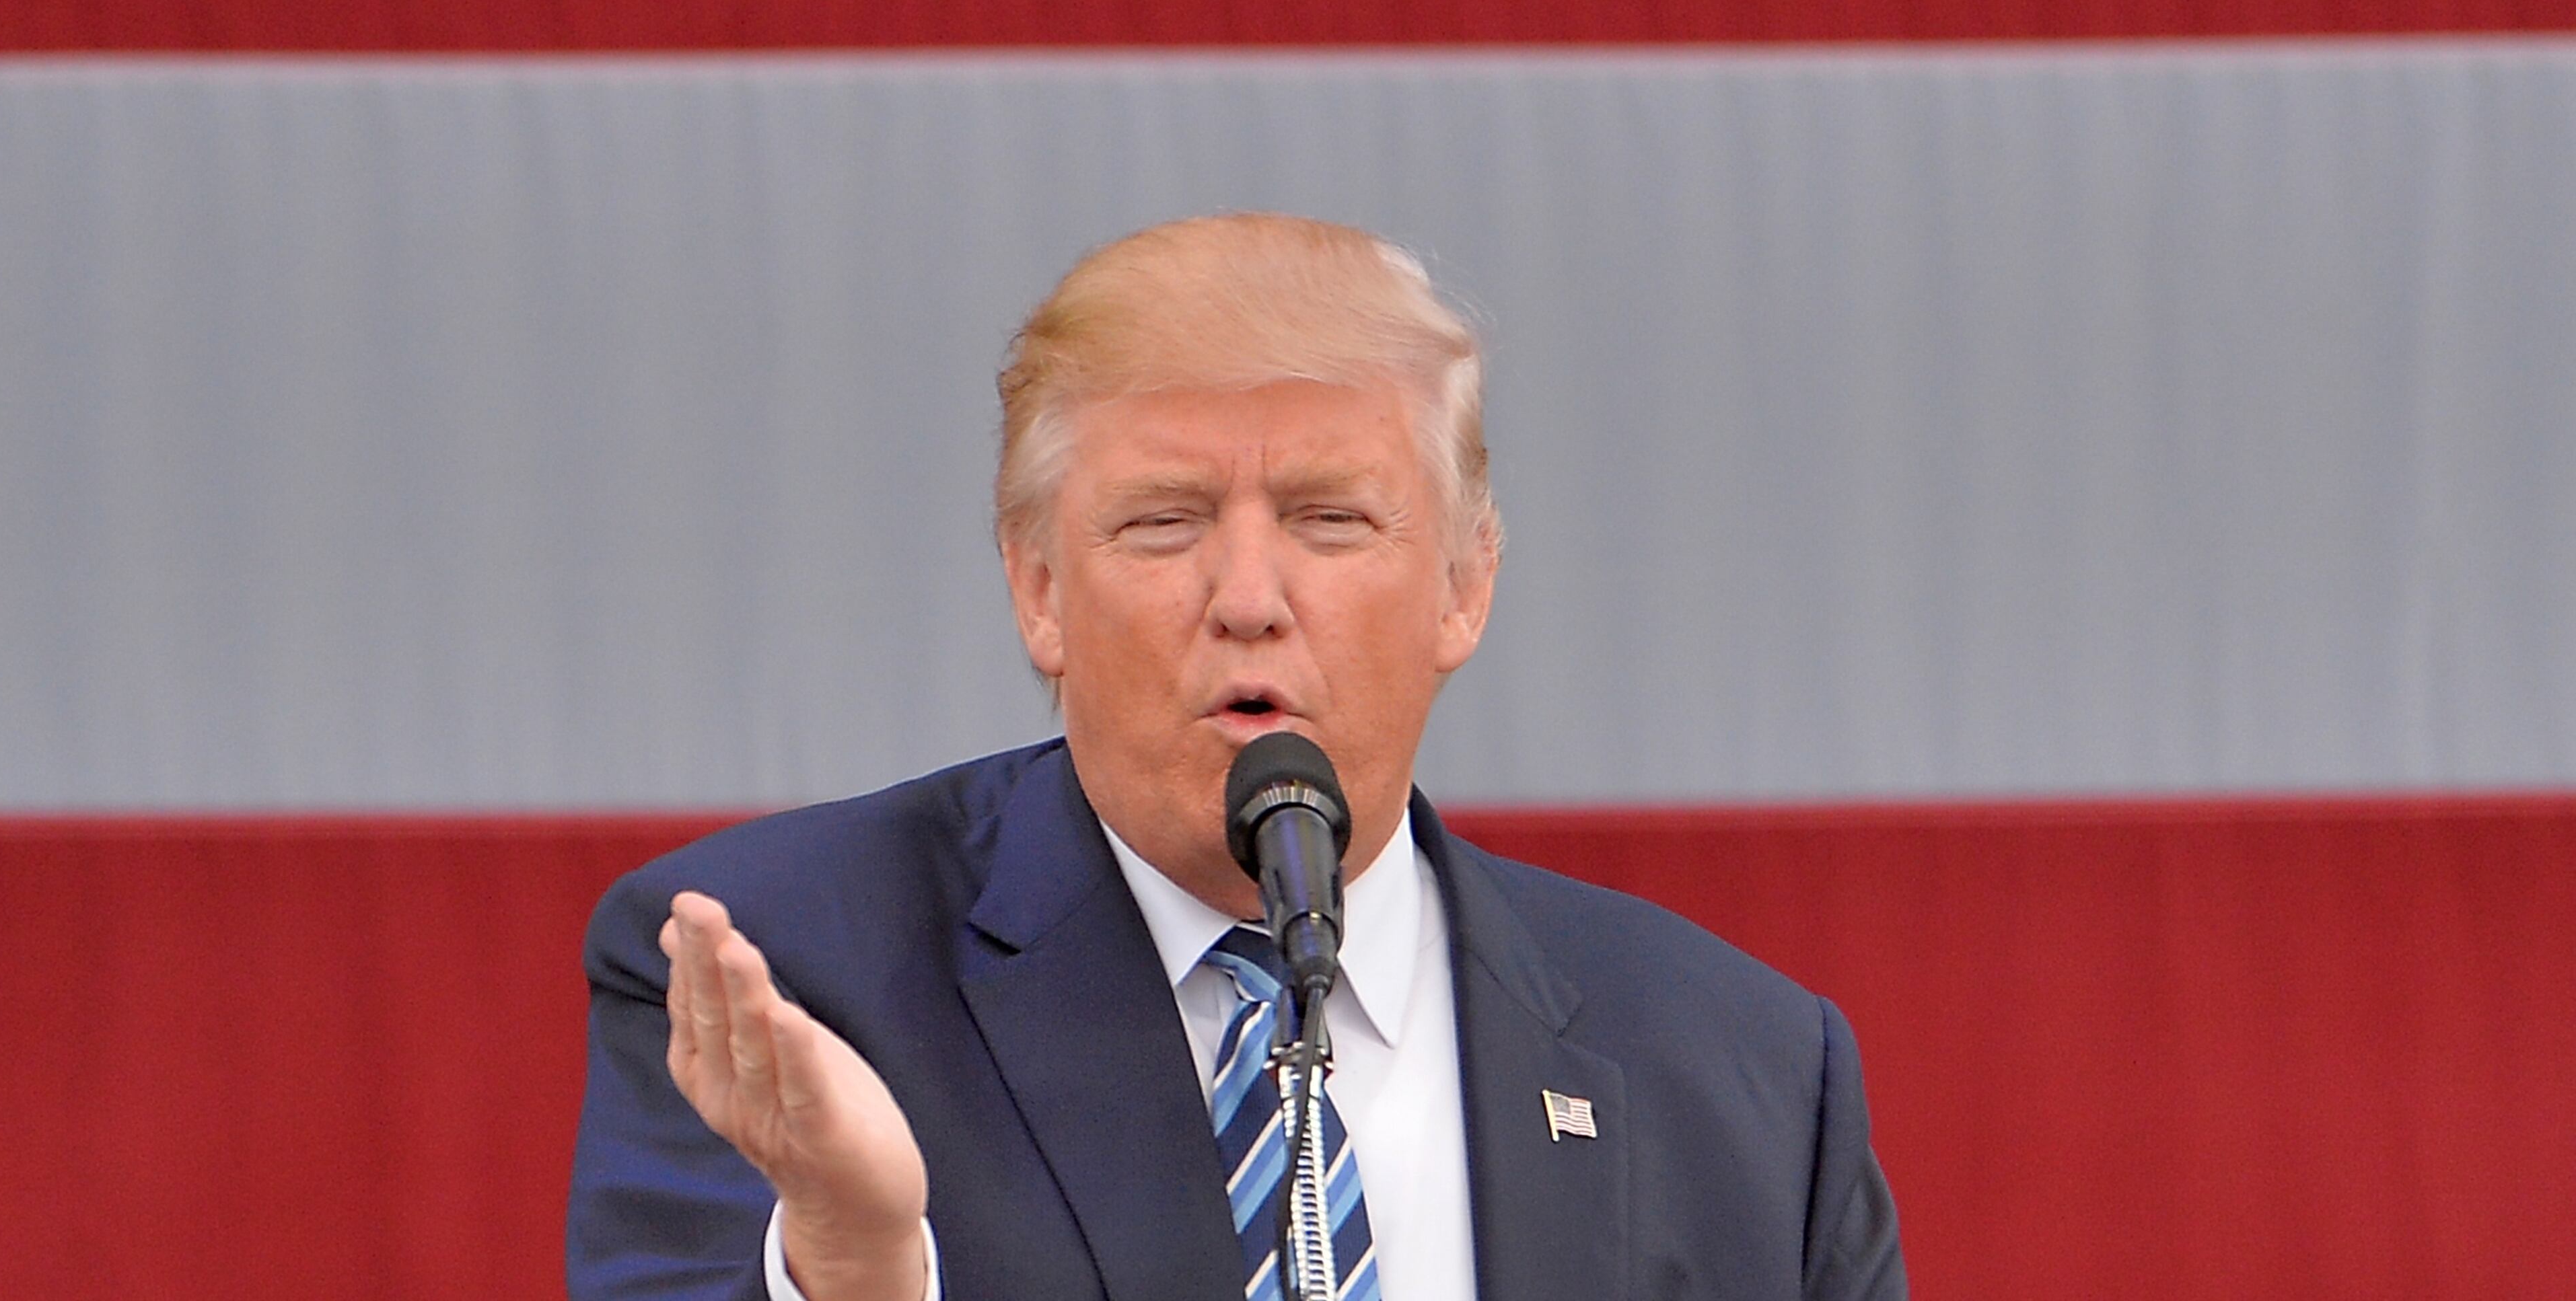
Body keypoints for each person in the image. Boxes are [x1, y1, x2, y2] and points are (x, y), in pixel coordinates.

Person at [567, 213, 1906, 1300]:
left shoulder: (1743, 1071)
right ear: (1039, 589)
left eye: (1331, 519)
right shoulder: (793, 980)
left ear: (1465, 585)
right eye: (1163, 523)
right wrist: (853, 1269)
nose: (1248, 594)